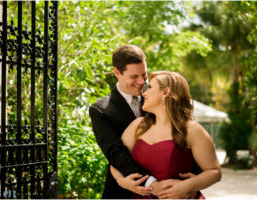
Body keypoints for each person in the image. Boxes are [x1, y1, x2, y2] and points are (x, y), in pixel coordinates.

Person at [89, 45, 200, 199]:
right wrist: (150, 184)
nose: (142, 81)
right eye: (134, 76)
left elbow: (185, 135)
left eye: (144, 74)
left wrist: (194, 180)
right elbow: (116, 154)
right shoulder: (101, 110)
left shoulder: (158, 93)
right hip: (125, 190)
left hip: (175, 191)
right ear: (117, 72)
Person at [110, 71, 222, 199]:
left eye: (150, 87)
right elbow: (116, 160)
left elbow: (214, 172)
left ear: (165, 92)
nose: (143, 93)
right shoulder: (138, 126)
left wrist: (188, 186)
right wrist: (122, 181)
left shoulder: (192, 130)